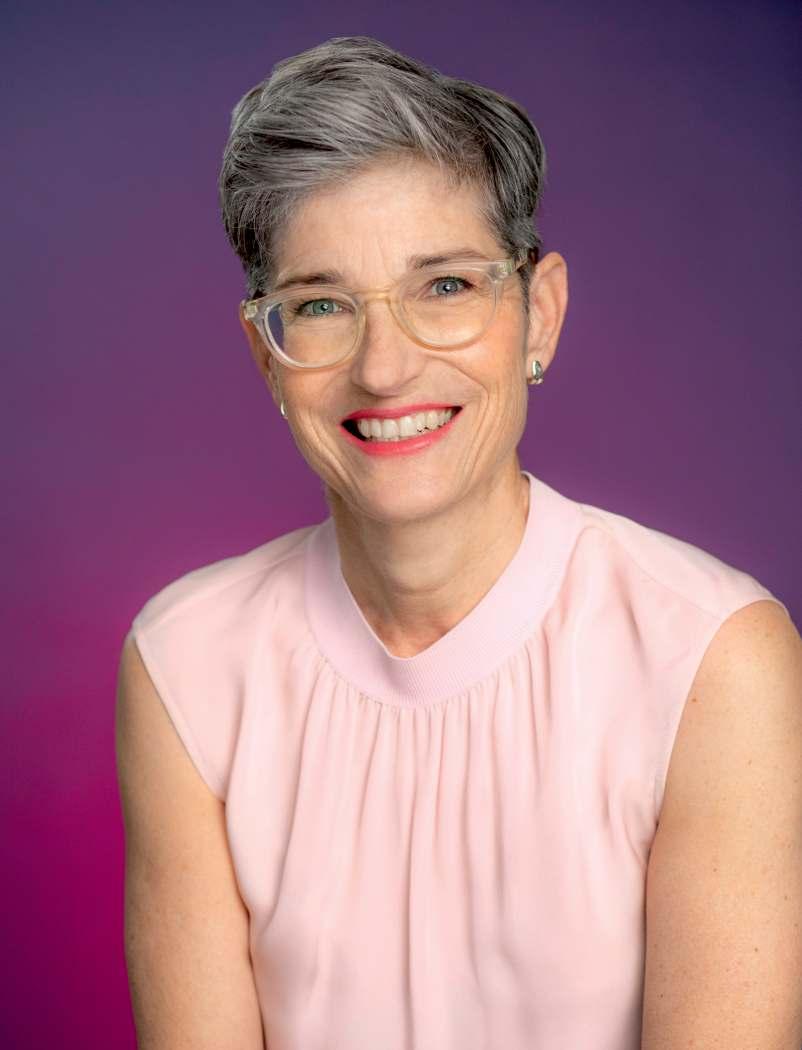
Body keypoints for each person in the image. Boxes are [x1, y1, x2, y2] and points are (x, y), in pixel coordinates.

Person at [114, 35, 802, 1050]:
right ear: (268, 357)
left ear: (539, 315)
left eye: (444, 286)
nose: (385, 369)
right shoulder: (186, 664)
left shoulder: (711, 658)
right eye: (321, 304)